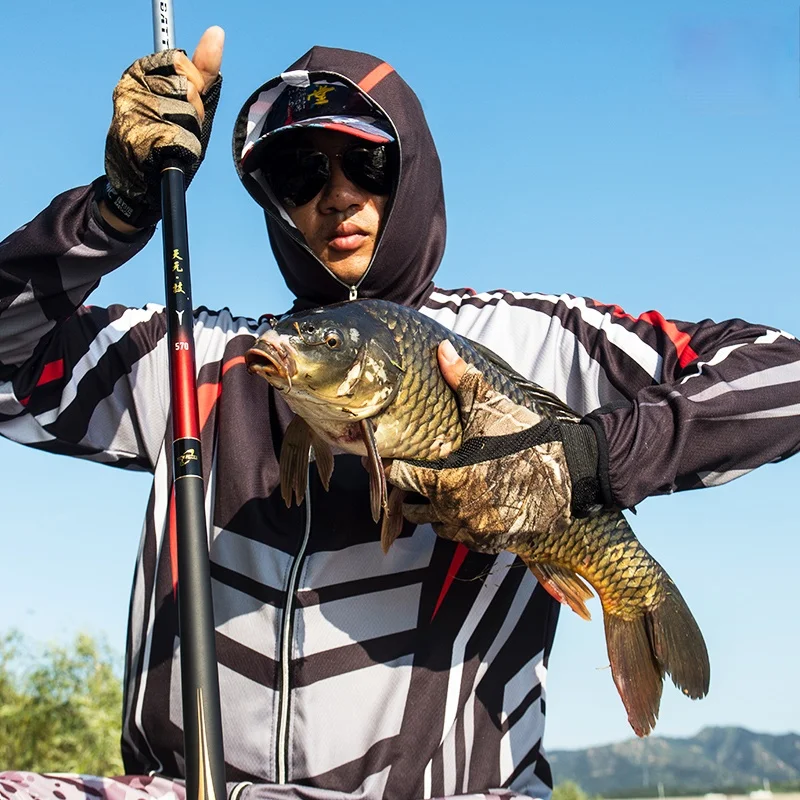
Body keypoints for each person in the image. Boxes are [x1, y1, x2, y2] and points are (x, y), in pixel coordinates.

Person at [1, 26, 799, 800]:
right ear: (272, 203)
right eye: (298, 171)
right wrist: (113, 212)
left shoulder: (534, 338)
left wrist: (587, 461)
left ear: (413, 167)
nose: (338, 194)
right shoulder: (198, 360)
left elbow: (787, 371)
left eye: (369, 162)